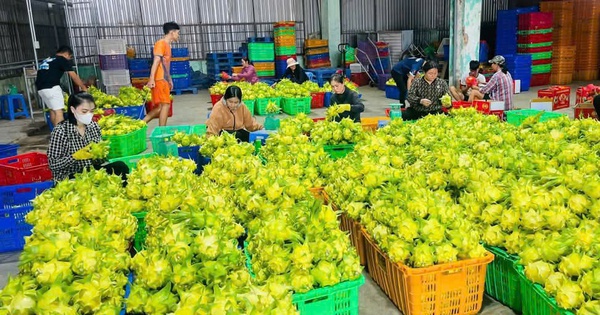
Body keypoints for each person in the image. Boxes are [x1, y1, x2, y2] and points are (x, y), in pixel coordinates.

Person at [47, 93, 129, 183]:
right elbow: (53, 164)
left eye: (92, 111)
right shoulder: (60, 131)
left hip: (92, 171)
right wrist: (74, 157)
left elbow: (101, 159)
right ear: (73, 109)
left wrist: (100, 152)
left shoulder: (93, 126)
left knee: (120, 166)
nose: (89, 115)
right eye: (84, 111)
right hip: (70, 176)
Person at [35, 46, 88, 126]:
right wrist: (83, 87)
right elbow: (73, 76)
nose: (69, 59)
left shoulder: (47, 60)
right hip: (52, 87)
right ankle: (61, 135)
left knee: (53, 110)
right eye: (70, 57)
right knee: (59, 112)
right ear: (66, 54)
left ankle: (55, 133)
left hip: (41, 89)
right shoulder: (62, 59)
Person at [144, 21, 180, 126]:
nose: (178, 35)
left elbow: (165, 65)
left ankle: (139, 125)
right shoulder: (161, 44)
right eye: (178, 33)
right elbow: (156, 61)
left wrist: (170, 79)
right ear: (172, 32)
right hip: (159, 79)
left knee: (160, 107)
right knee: (166, 105)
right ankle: (162, 132)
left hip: (163, 79)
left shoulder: (167, 46)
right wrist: (151, 79)